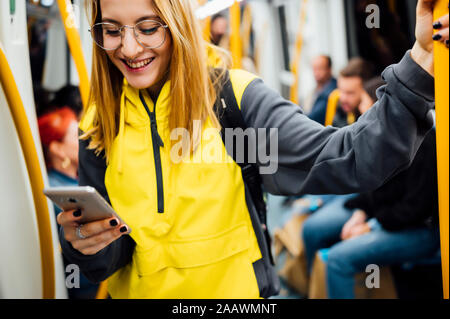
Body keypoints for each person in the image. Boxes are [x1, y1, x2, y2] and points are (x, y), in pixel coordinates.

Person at [57, 0, 448, 299]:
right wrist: (86, 246)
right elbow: (107, 260)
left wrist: (421, 61)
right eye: (111, 30)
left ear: (177, 24)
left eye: (147, 27)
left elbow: (350, 158)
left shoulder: (231, 101)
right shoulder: (99, 124)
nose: (128, 47)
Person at [302, 130, 439, 299]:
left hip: (421, 229)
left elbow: (416, 208)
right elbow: (376, 186)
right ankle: (312, 288)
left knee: (337, 261)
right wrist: (361, 213)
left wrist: (370, 226)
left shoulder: (425, 144)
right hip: (388, 215)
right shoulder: (391, 135)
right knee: (312, 228)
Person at [38, 107, 100, 299]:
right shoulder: (61, 193)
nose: (86, 141)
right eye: (77, 136)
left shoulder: (67, 183)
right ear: (57, 149)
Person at [306, 55, 337, 124]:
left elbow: (313, 118)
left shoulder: (331, 92)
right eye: (314, 69)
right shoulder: (317, 89)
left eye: (320, 68)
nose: (316, 73)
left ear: (329, 69)